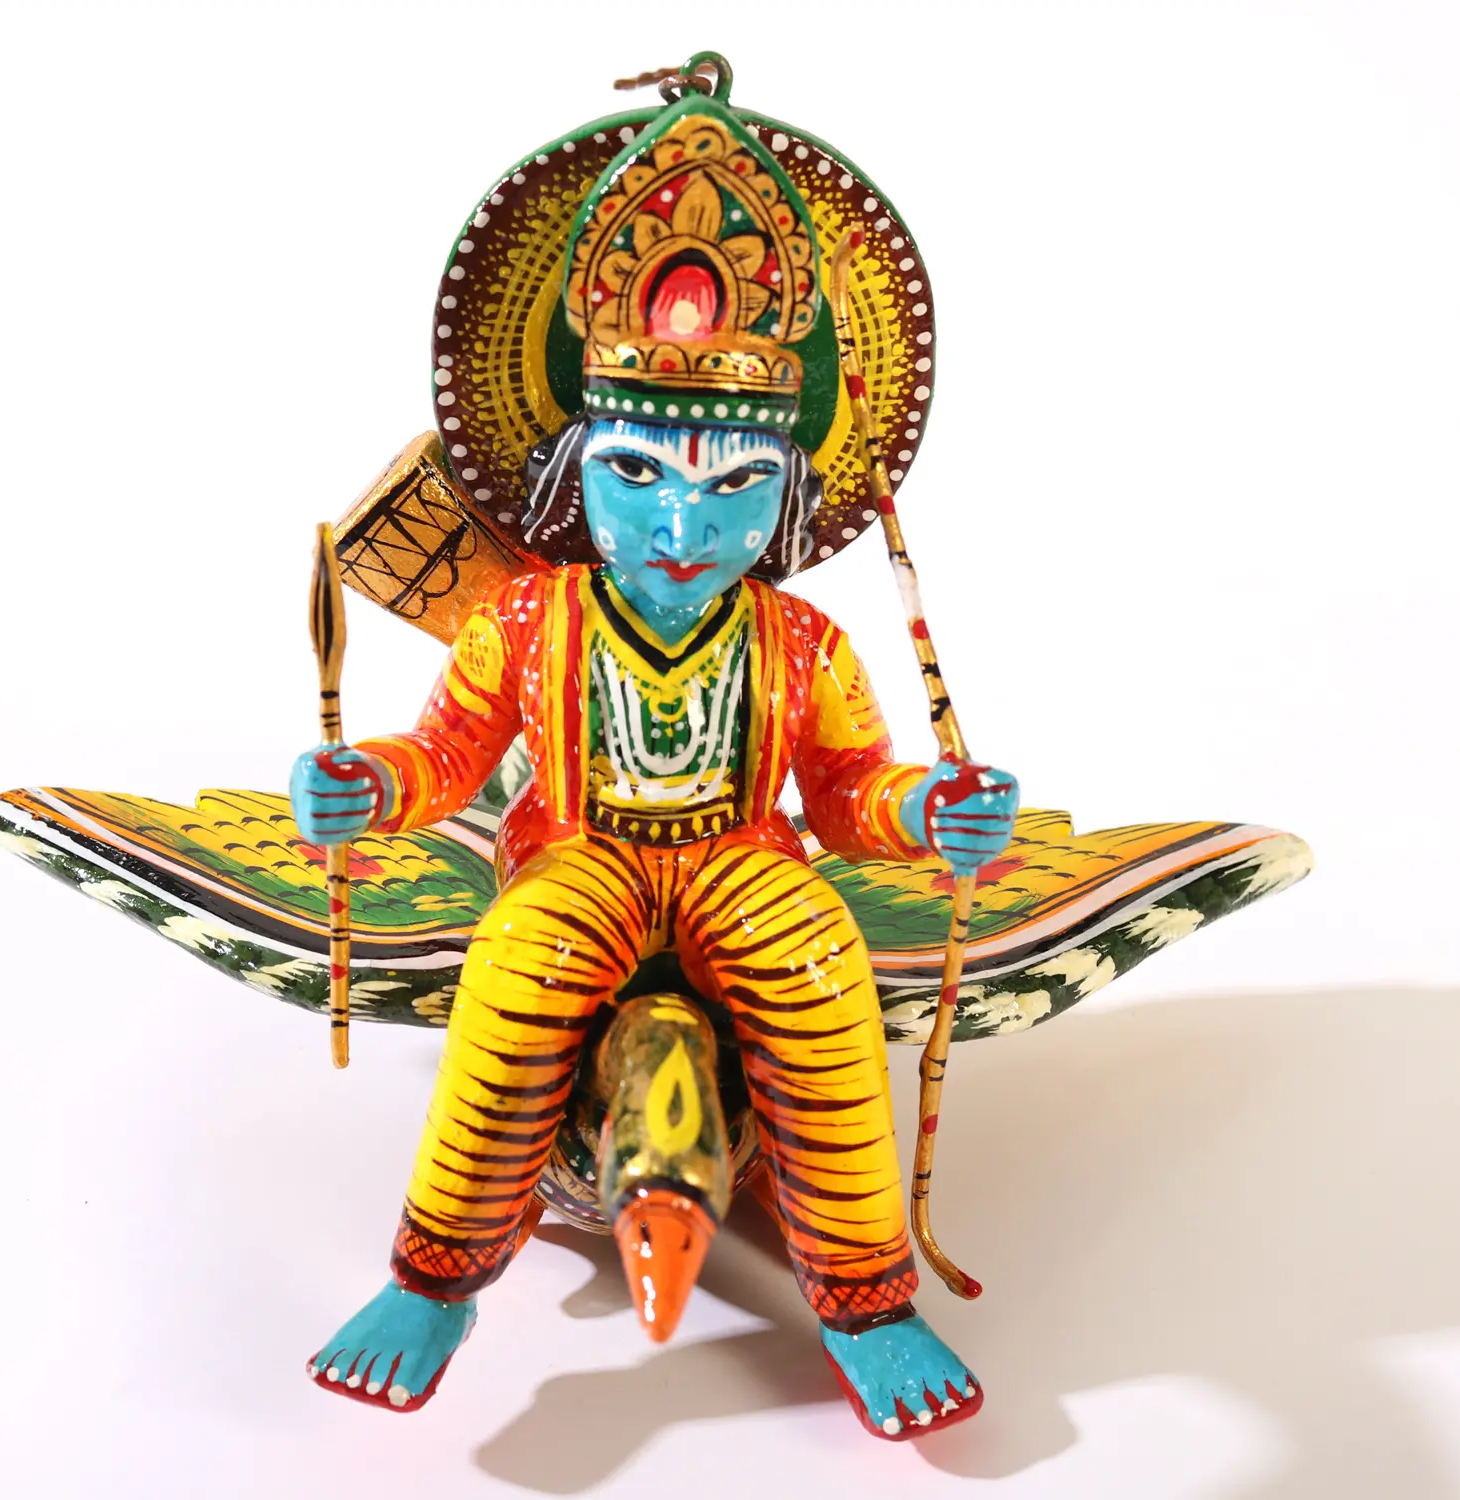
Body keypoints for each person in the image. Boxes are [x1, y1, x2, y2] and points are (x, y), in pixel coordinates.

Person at [288, 93, 1017, 1440]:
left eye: (735, 485)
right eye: (636, 474)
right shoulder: (529, 617)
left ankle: (866, 1300)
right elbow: (450, 751)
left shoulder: (801, 641)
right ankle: (436, 1278)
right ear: (572, 473)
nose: (683, 524)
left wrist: (927, 808)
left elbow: (846, 796)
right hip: (578, 858)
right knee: (521, 966)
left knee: (820, 968)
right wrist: (371, 786)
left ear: (791, 497)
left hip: (745, 863)